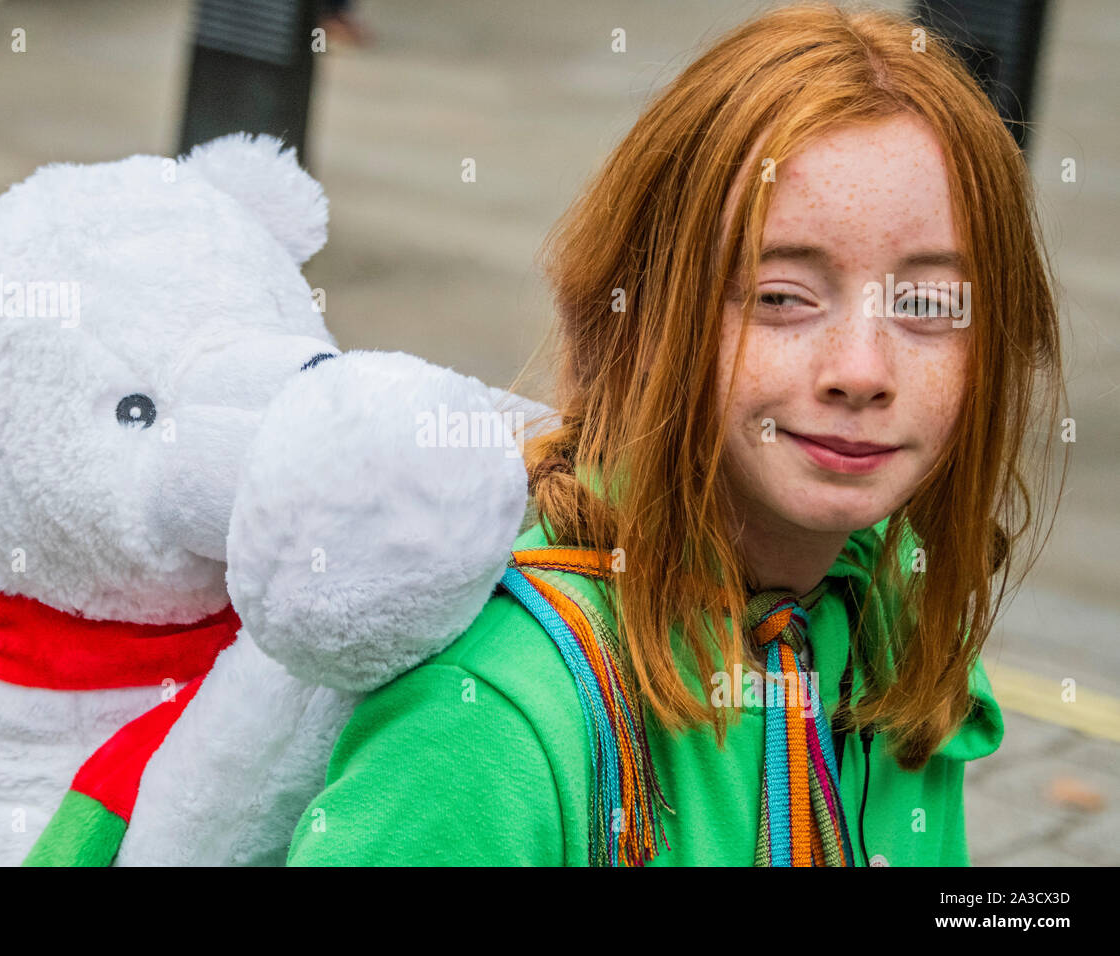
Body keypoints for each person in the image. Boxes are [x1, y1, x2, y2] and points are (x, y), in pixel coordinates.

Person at [285, 2, 1067, 867]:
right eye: (780, 297)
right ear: (647, 314)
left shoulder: (895, 634)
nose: (862, 367)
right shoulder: (492, 720)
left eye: (927, 305)